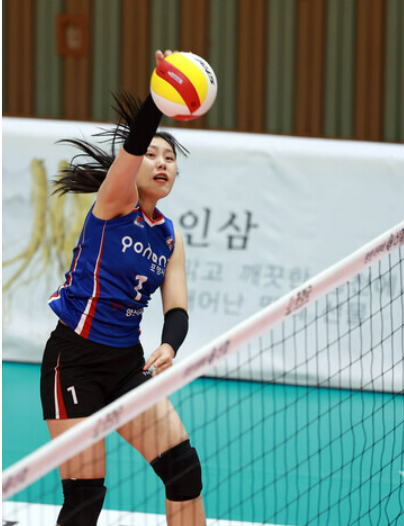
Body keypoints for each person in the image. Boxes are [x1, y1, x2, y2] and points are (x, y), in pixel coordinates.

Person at [40, 50, 206, 526]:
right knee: (85, 497)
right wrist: (160, 96)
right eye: (152, 155)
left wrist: (170, 345)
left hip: (127, 366)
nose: (161, 163)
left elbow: (177, 309)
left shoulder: (169, 237)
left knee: (184, 471)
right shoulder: (114, 203)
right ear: (132, 165)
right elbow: (133, 143)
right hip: (74, 361)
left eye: (170, 158)